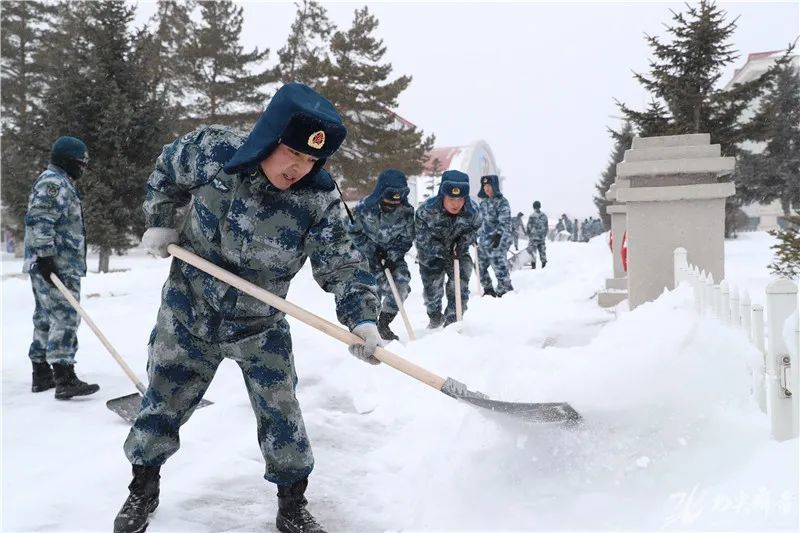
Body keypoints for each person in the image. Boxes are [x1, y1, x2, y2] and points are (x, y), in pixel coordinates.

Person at [114, 83, 382, 533]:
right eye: (292, 155)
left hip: (260, 322)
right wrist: (162, 221)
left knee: (281, 411)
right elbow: (166, 170)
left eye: (312, 160)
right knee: (163, 401)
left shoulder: (318, 198)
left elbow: (345, 262)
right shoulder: (214, 152)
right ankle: (142, 489)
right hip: (189, 309)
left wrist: (363, 317)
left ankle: (292, 504)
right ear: (270, 137)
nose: (300, 168)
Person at [23, 136, 99, 400]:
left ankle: (41, 373)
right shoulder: (53, 184)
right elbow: (40, 220)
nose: (83, 169)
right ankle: (64, 377)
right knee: (65, 316)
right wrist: (45, 256)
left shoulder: (57, 181)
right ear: (67, 161)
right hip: (57, 263)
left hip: (53, 262)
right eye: (81, 164)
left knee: (46, 316)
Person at [349, 169, 415, 341]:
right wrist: (371, 250)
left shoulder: (407, 212)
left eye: (396, 202)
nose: (392, 205)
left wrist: (393, 256)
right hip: (365, 258)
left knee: (401, 288)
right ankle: (367, 329)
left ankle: (383, 323)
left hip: (393, 259)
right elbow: (352, 232)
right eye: (388, 201)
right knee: (369, 293)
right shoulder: (363, 208)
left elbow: (407, 238)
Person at [415, 170, 482, 327]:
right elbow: (421, 239)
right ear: (442, 195)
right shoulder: (426, 211)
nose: (456, 204)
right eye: (451, 198)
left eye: (460, 199)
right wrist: (441, 250)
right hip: (431, 254)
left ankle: (453, 321)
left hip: (459, 253)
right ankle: (434, 317)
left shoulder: (473, 211)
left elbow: (476, 230)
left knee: (460, 287)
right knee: (432, 291)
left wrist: (462, 242)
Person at [477, 175, 514, 297]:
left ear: (495, 186)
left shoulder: (502, 202)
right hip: (484, 240)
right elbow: (479, 221)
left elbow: (505, 221)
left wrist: (498, 235)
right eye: (484, 186)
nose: (486, 189)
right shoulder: (483, 203)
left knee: (499, 266)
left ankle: (505, 289)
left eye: (489, 186)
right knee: (478, 266)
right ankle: (488, 289)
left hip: (498, 240)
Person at [526, 201, 548, 269]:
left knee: (533, 252)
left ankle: (533, 266)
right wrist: (544, 235)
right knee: (542, 251)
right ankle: (544, 266)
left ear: (533, 207)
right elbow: (546, 227)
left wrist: (529, 235)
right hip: (541, 237)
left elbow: (528, 227)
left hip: (534, 238)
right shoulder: (544, 215)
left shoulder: (532, 216)